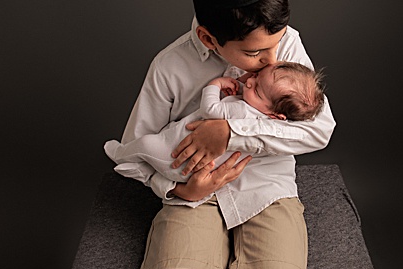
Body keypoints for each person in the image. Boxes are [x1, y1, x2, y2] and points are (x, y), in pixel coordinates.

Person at [111, 0, 336, 269]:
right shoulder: (169, 67)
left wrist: (232, 134)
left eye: (276, 46)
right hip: (194, 197)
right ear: (208, 38)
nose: (270, 61)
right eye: (253, 53)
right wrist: (177, 191)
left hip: (269, 192)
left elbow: (319, 129)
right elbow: (132, 152)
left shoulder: (286, 44)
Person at [105, 62, 327, 185]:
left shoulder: (240, 109)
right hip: (192, 169)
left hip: (174, 157)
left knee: (144, 144)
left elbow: (209, 110)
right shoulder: (265, 120)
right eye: (256, 77)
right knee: (155, 141)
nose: (248, 82)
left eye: (256, 90)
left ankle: (122, 156)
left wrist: (215, 85)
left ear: (276, 115)